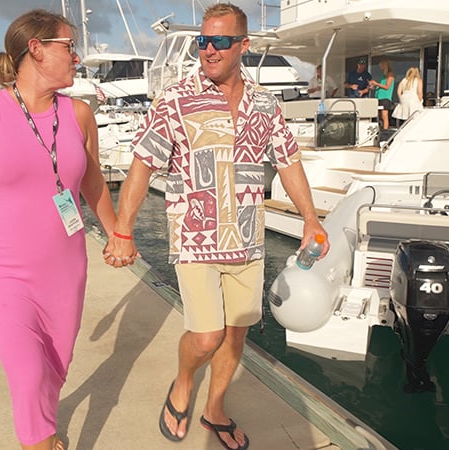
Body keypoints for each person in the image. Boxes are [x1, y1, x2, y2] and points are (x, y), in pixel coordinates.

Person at [102, 4, 328, 450]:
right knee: (207, 336)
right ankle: (184, 381)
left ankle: (215, 408)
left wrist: (310, 218)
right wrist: (123, 230)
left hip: (248, 239)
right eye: (202, 41)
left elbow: (288, 161)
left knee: (236, 333)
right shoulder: (176, 98)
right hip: (195, 238)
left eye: (220, 41)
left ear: (243, 45)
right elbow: (143, 164)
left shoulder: (265, 103)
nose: (208, 49)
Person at [0, 9, 118, 450]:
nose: (77, 56)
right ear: (37, 49)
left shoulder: (80, 114)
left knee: (54, 368)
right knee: (28, 376)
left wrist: (117, 233)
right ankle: (40, 439)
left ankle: (43, 429)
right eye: (69, 46)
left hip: (66, 269)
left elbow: (92, 183)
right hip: (3, 268)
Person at [369, 59, 395, 129]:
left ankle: (385, 129)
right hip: (379, 97)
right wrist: (374, 87)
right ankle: (381, 127)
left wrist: (376, 83)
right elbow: (381, 86)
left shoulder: (390, 76)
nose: (380, 68)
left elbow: (387, 87)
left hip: (385, 98)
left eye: (381, 66)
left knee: (384, 115)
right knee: (379, 115)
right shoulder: (383, 76)